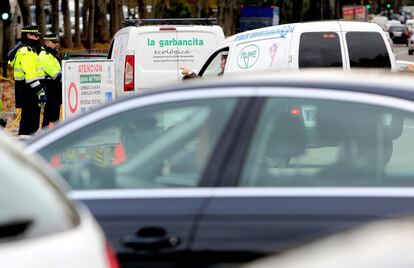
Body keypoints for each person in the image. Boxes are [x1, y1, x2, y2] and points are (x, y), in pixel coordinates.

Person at [8, 25, 46, 135]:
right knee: (30, 123)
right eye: (35, 36)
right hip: (30, 92)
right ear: (28, 35)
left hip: (28, 91)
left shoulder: (28, 51)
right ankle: (27, 146)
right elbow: (31, 76)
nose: (38, 38)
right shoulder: (26, 53)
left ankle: (26, 143)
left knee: (29, 121)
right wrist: (40, 92)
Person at [39, 33, 62, 127]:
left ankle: (54, 134)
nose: (56, 44)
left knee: (55, 113)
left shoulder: (52, 54)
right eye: (54, 42)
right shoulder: (44, 56)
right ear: (47, 42)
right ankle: (47, 135)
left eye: (57, 42)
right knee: (49, 114)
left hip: (55, 87)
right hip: (50, 87)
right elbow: (56, 75)